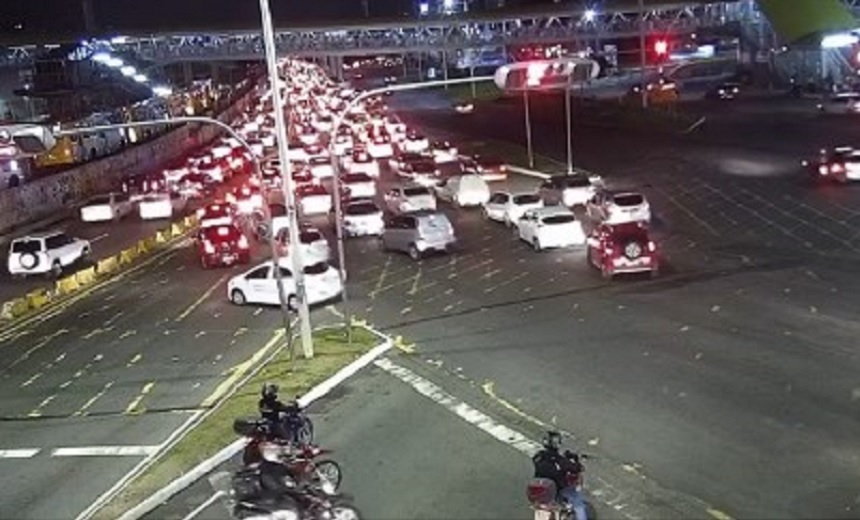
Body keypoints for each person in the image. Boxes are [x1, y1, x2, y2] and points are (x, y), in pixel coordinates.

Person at [532, 431, 587, 520]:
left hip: (542, 491)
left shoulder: (538, 457)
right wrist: (578, 465)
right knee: (579, 503)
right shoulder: (560, 461)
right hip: (558, 490)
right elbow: (575, 468)